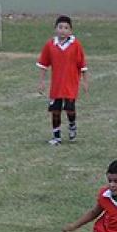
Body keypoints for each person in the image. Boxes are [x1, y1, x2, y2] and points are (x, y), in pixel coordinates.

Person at [36, 15, 88, 146]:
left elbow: (82, 65)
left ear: (70, 31)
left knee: (70, 109)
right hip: (56, 86)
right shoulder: (50, 45)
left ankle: (72, 124)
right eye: (60, 27)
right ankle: (56, 136)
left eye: (66, 28)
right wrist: (41, 82)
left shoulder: (76, 45)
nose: (63, 30)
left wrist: (85, 81)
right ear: (55, 29)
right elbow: (43, 64)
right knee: (55, 111)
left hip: (71, 84)